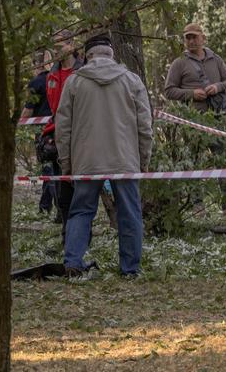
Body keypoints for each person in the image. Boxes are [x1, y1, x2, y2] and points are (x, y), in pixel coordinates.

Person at [56, 34, 153, 278]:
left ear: (87, 56)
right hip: (124, 159)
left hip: (86, 160)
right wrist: (143, 160)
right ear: (111, 54)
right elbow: (145, 125)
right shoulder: (132, 81)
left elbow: (63, 127)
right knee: (130, 213)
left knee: (80, 212)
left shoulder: (74, 82)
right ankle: (130, 268)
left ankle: (73, 263)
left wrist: (66, 164)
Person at [164, 23, 226, 210]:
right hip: (192, 122)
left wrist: (218, 87)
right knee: (194, 164)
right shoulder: (179, 63)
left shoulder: (216, 59)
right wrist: (191, 94)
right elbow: (169, 90)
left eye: (194, 37)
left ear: (203, 38)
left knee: (223, 160)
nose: (191, 41)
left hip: (217, 119)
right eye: (187, 37)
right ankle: (197, 206)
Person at [39, 30, 83, 233]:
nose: (57, 50)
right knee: (62, 192)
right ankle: (67, 235)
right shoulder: (52, 75)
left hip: (81, 136)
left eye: (60, 45)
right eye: (53, 47)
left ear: (71, 44)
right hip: (59, 137)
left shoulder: (83, 71)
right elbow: (54, 106)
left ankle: (81, 235)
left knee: (82, 193)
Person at [22, 50, 56, 215]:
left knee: (48, 169)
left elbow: (27, 112)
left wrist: (19, 122)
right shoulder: (55, 78)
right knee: (55, 168)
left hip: (42, 131)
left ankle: (54, 208)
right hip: (58, 129)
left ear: (36, 65)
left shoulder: (35, 83)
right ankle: (45, 206)